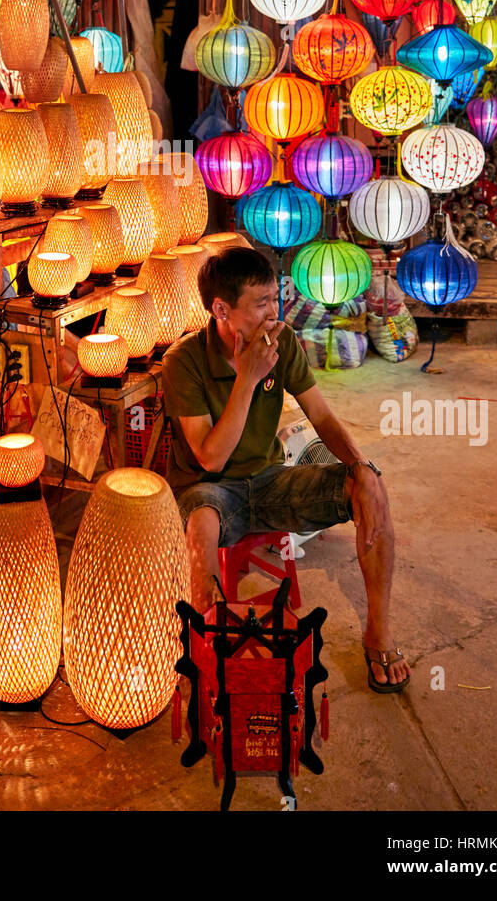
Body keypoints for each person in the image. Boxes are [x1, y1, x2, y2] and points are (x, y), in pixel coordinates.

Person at [161, 247, 410, 694]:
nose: (273, 313)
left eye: (275, 299)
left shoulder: (283, 341)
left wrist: (361, 467)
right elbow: (210, 458)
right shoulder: (184, 361)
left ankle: (379, 634)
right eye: (260, 303)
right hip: (210, 490)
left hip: (272, 481)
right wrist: (247, 379)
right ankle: (211, 655)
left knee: (371, 491)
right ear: (221, 309)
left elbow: (323, 417)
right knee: (200, 525)